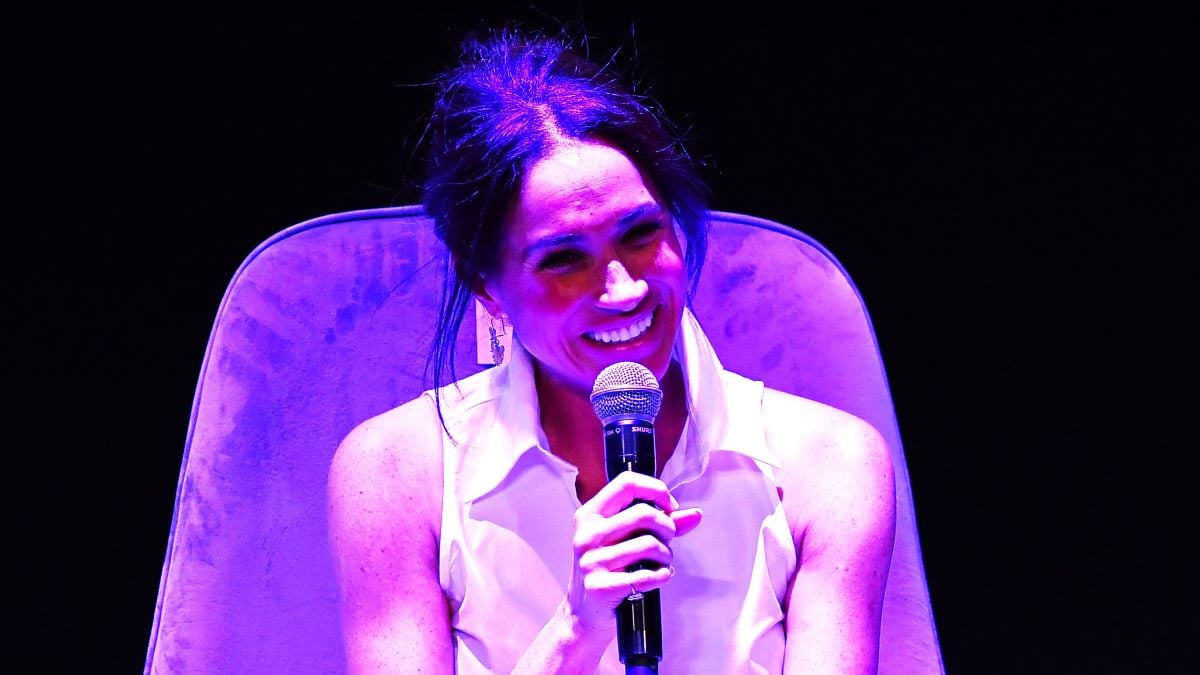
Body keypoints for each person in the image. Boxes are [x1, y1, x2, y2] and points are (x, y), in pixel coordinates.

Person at [327, 24, 897, 675]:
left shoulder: (829, 464)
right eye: (565, 258)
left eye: (641, 233)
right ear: (485, 284)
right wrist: (576, 631)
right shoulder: (395, 472)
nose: (624, 289)